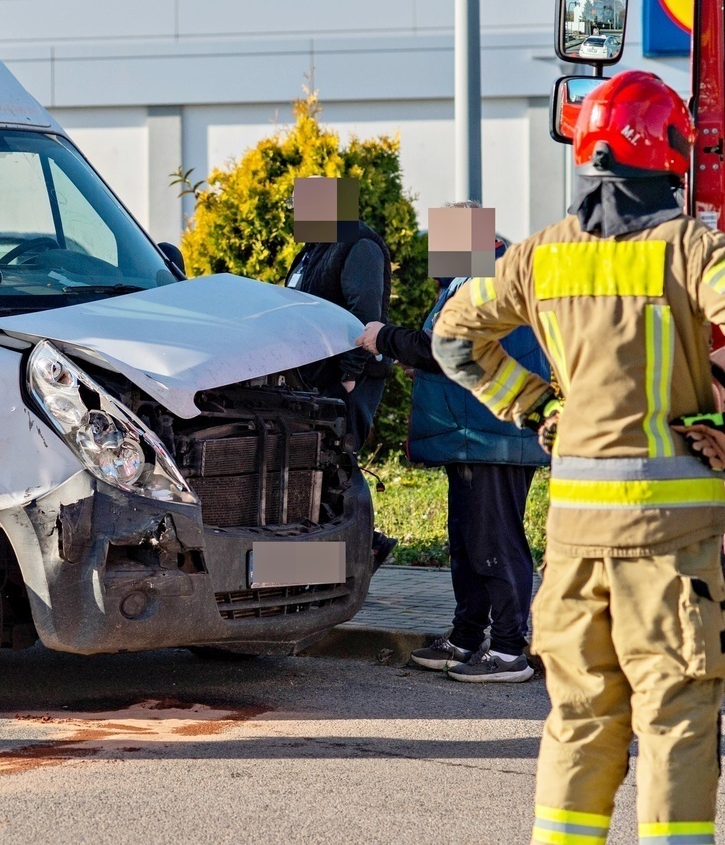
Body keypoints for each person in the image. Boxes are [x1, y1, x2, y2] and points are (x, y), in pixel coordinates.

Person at [431, 72, 725, 841]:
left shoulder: (538, 256)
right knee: (676, 713)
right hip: (671, 540)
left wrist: (535, 405)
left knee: (580, 715)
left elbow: (452, 338)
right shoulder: (690, 249)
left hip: (573, 538)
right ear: (671, 153)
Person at [355, 223, 550, 683]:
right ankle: (465, 638)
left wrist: (384, 337)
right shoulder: (471, 278)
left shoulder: (489, 278)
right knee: (468, 543)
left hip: (491, 436)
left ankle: (509, 651)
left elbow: (450, 345)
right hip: (474, 433)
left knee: (495, 543)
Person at [283, 189, 398, 565]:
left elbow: (364, 316)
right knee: (317, 469)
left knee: (337, 465)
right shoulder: (315, 248)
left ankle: (360, 551)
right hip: (315, 378)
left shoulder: (358, 244)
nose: (295, 215)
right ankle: (330, 560)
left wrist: (349, 377)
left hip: (347, 379)